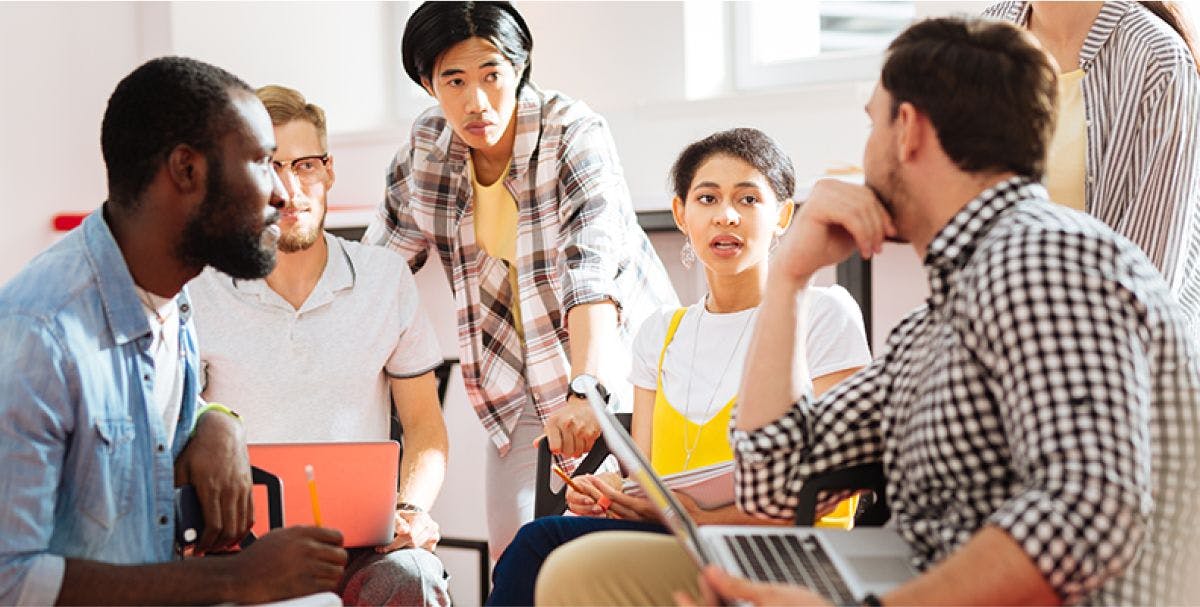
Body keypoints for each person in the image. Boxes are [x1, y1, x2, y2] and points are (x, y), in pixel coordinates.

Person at [537, 16, 1200, 606]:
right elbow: (774, 476)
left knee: (588, 572)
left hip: (957, 588)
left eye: (871, 119)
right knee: (587, 565)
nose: (863, 149)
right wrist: (793, 275)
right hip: (910, 570)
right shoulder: (936, 322)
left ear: (907, 130)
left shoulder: (1044, 264)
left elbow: (1088, 512)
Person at [0, 57, 348, 605]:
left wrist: (215, 421)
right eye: (261, 162)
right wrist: (239, 579)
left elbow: (151, 416)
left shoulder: (171, 294)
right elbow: (10, 582)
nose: (281, 195)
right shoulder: (37, 335)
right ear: (187, 170)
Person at [486, 128, 872, 606]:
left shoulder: (823, 312)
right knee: (539, 545)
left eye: (748, 199)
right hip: (684, 539)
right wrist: (611, 493)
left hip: (789, 549)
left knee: (541, 545)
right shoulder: (660, 333)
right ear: (681, 214)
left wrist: (691, 513)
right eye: (707, 198)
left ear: (783, 216)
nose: (726, 215)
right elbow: (647, 478)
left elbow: (844, 476)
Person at [366, 1, 677, 558]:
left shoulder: (573, 133)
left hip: (621, 376)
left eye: (492, 74)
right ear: (426, 81)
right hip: (515, 390)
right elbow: (380, 272)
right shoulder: (426, 152)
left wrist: (589, 391)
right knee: (515, 567)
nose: (476, 101)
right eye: (454, 80)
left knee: (603, 567)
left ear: (520, 67)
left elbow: (591, 274)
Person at [188, 84, 450, 606]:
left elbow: (425, 427)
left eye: (305, 165)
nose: (289, 189)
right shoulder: (199, 288)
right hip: (240, 550)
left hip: (361, 549)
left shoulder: (384, 279)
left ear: (329, 169)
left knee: (413, 575)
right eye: (268, 167)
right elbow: (176, 429)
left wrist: (413, 511)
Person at [986, 0, 1200, 334]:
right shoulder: (984, 39)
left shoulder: (1157, 57)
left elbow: (1146, 282)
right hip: (1004, 338)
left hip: (1112, 355)